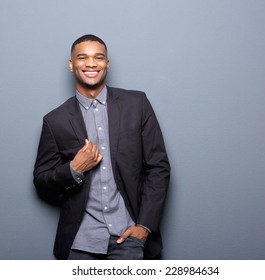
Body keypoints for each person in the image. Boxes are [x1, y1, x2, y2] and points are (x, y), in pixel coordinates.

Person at [33, 34, 170, 260]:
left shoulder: (137, 104)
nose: (91, 64)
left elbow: (158, 168)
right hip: (80, 243)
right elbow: (41, 182)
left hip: (130, 237)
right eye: (82, 58)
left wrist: (144, 227)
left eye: (98, 57)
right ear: (71, 65)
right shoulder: (55, 120)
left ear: (107, 63)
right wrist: (74, 169)